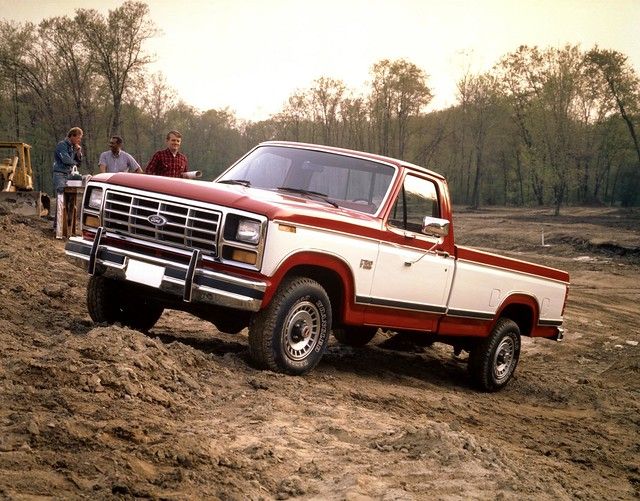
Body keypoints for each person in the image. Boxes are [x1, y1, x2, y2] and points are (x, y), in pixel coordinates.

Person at [52, 127, 83, 231]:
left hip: (68, 174)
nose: (79, 141)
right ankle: (58, 226)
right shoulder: (62, 145)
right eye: (78, 138)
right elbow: (66, 159)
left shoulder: (73, 147)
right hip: (60, 174)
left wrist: (78, 151)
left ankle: (68, 225)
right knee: (61, 197)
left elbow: (78, 162)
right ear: (72, 136)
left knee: (70, 198)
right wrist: (74, 164)